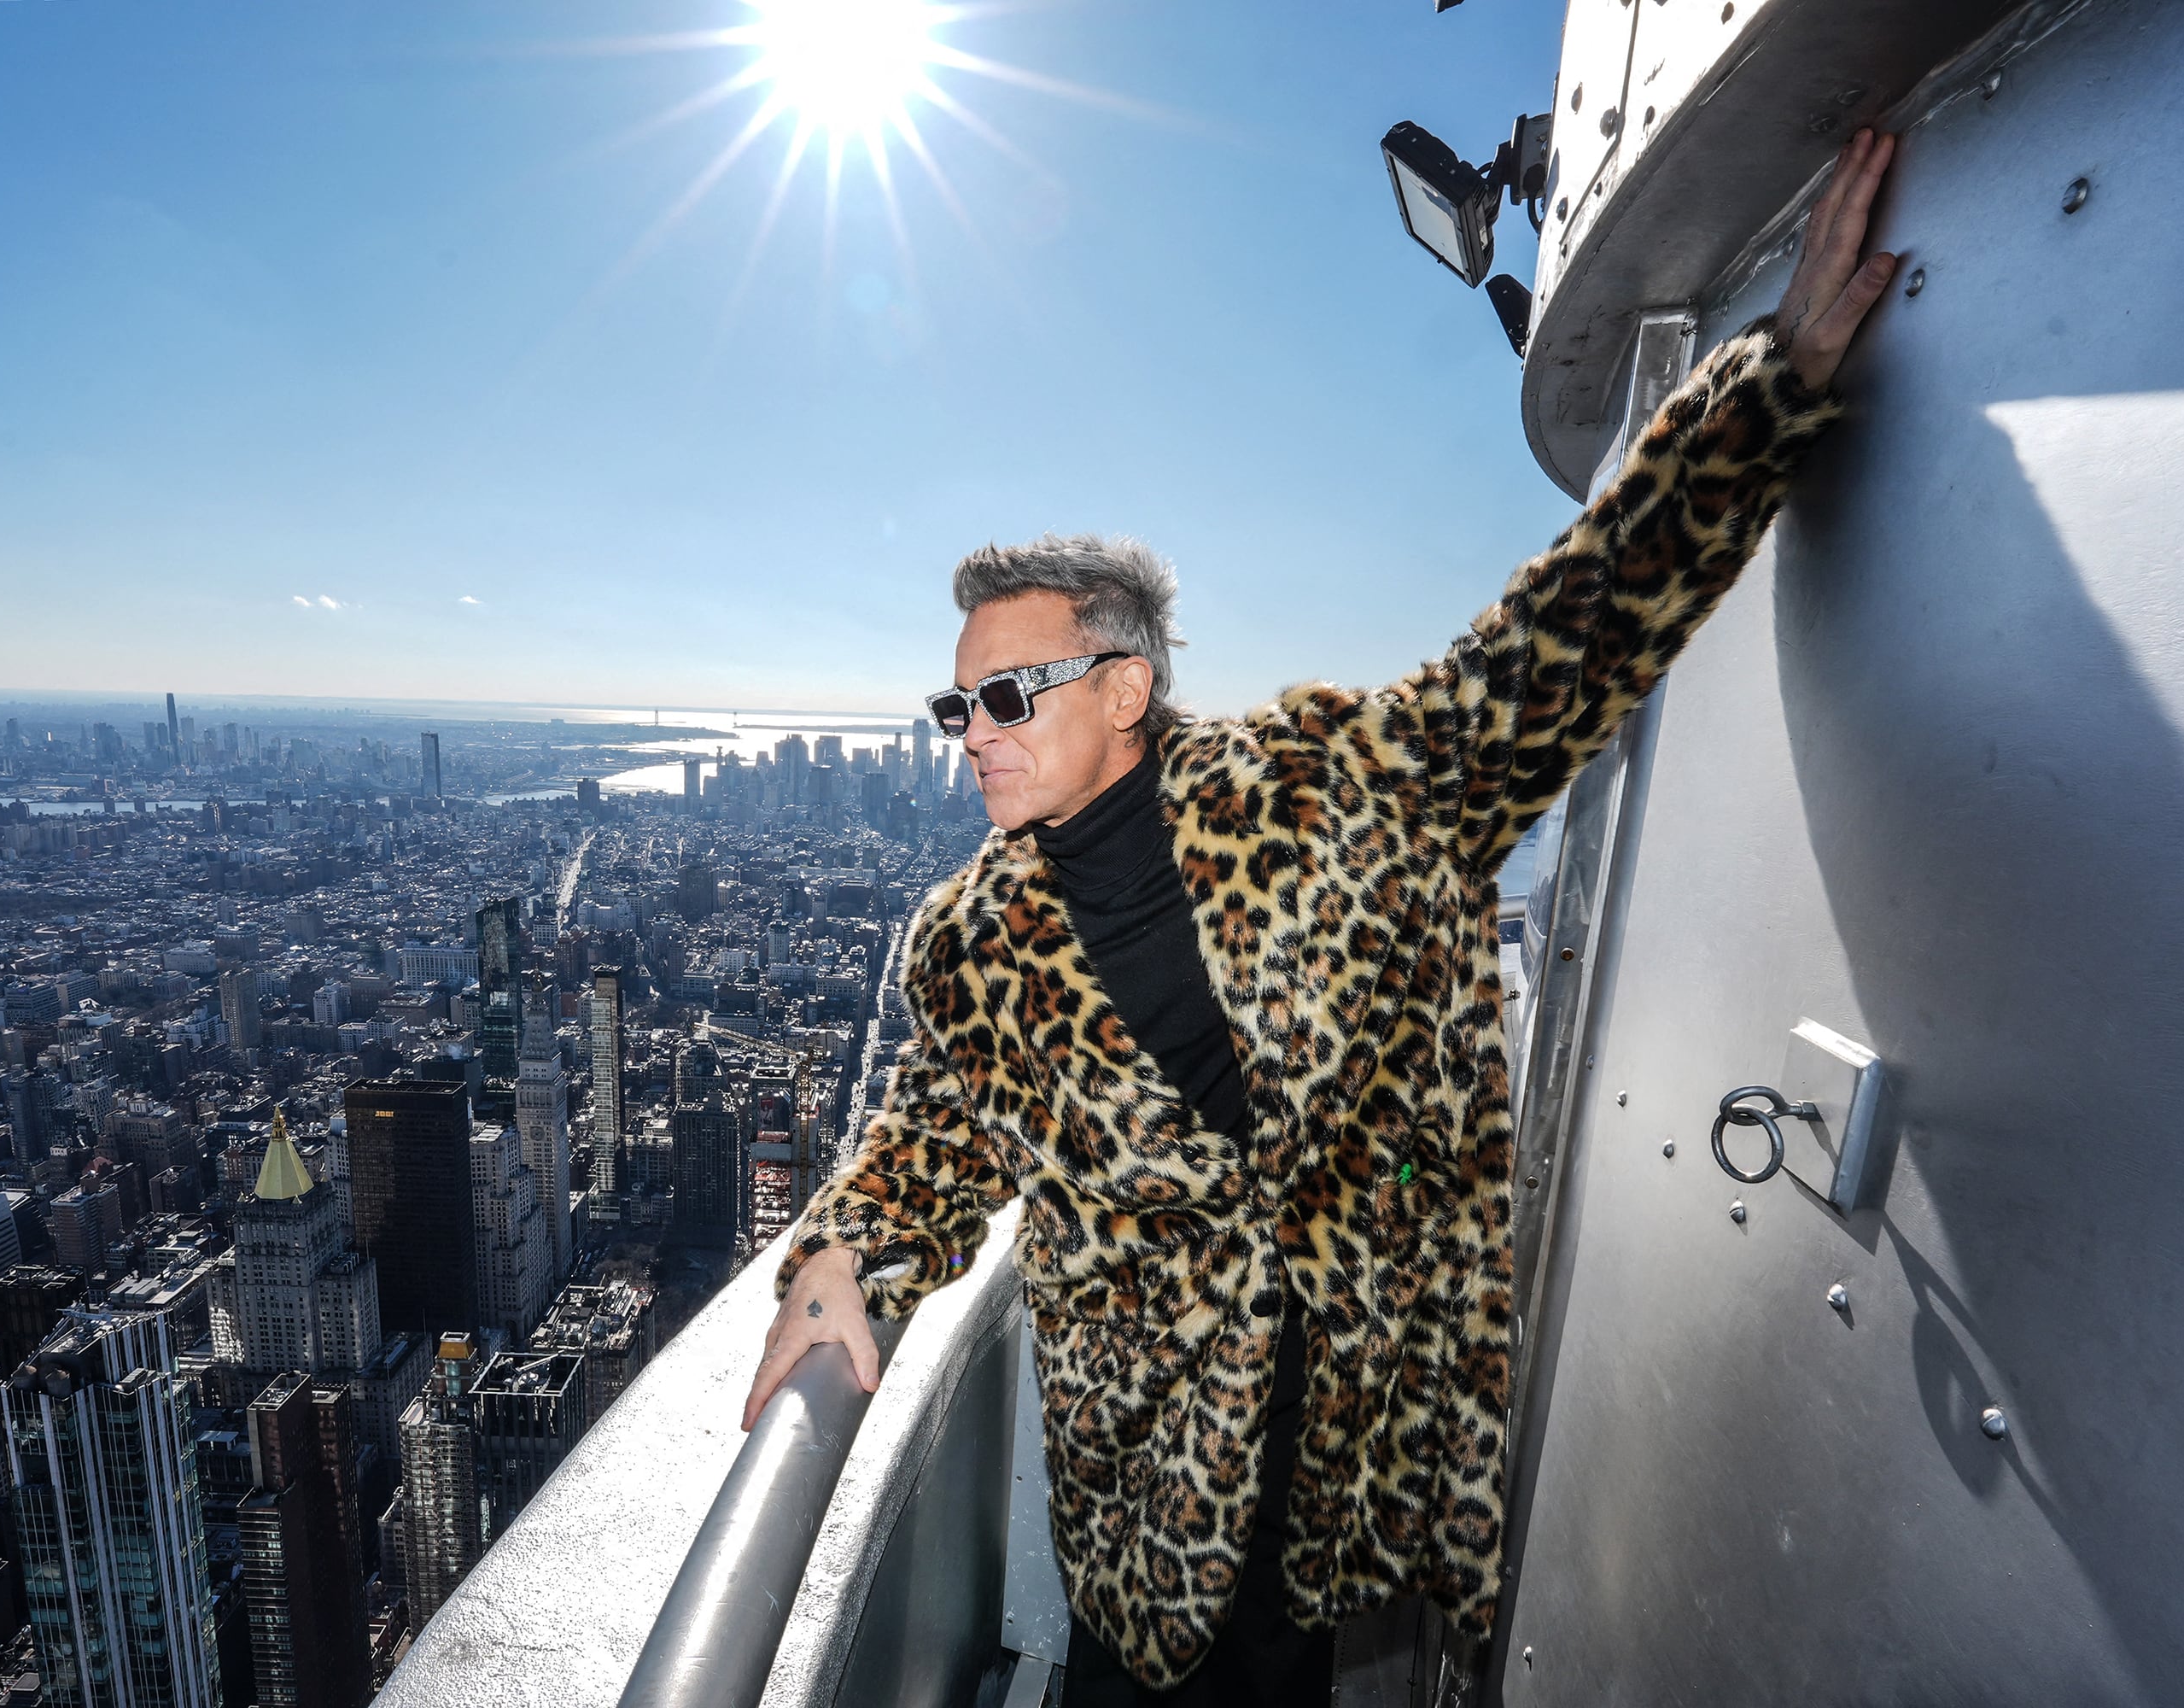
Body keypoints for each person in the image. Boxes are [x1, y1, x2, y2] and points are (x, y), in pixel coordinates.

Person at [745, 130, 1903, 1700]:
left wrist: (1765, 392)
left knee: (1292, 1677)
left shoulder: (1327, 789)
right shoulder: (966, 946)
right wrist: (845, 1248)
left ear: (1127, 689)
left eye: (1009, 695)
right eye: (958, 707)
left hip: (1338, 1415)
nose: (974, 735)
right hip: (1146, 1455)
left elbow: (1552, 650)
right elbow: (935, 1140)